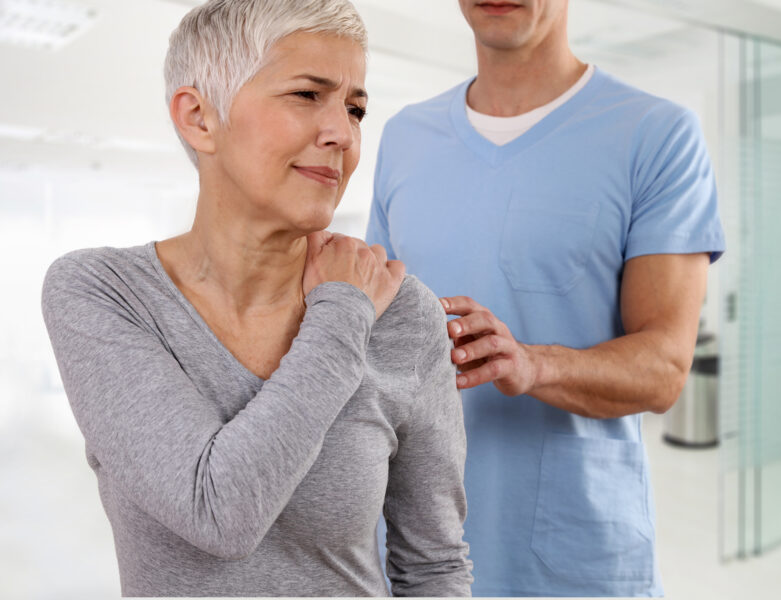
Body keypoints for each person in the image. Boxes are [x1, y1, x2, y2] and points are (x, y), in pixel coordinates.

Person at [41, 0, 471, 596]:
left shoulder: (401, 312)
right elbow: (218, 513)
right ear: (198, 118)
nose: (342, 134)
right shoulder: (104, 294)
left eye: (355, 109)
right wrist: (341, 312)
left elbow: (434, 566)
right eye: (306, 95)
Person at [366, 0, 725, 596]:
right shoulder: (404, 137)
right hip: (412, 556)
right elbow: (379, 341)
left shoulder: (657, 134)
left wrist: (532, 364)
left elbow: (664, 369)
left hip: (573, 560)